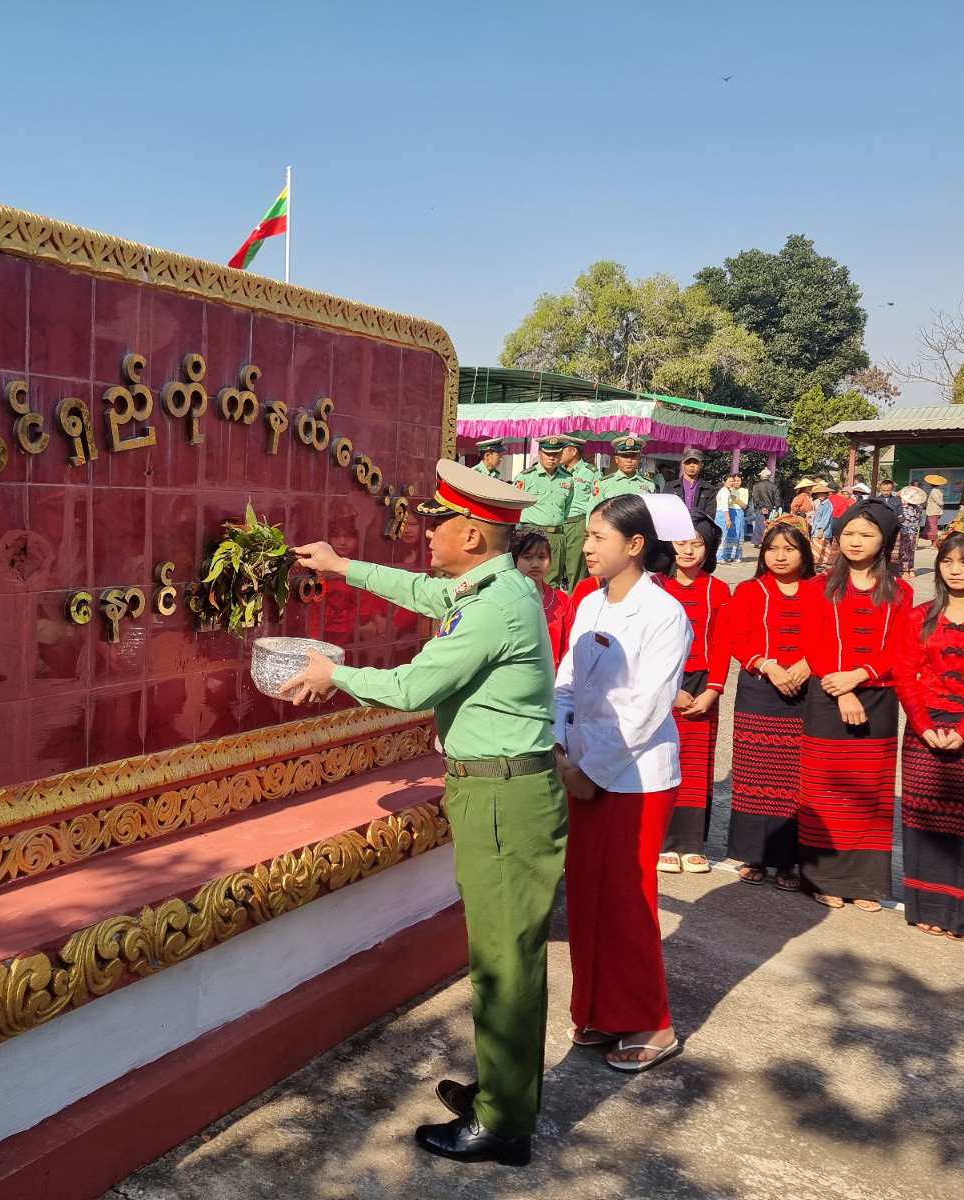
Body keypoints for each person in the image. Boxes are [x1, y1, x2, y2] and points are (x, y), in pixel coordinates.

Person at [282, 461, 563, 1167]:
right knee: (504, 954)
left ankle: (503, 1126)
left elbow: (414, 688)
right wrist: (343, 567)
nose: (425, 534)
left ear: (471, 535)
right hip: (496, 791)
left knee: (504, 962)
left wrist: (332, 673)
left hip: (503, 798)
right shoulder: (494, 585)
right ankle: (503, 1092)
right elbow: (426, 592)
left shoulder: (497, 605)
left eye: (437, 524)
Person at [554, 493, 692, 1073]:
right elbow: (566, 681)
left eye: (598, 537)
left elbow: (646, 708)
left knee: (629, 899)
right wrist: (560, 743)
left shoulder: (664, 614)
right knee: (588, 894)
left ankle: (652, 1020)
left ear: (635, 545)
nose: (586, 547)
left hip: (634, 778)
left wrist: (590, 771)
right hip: (582, 765)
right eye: (587, 536)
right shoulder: (590, 604)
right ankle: (599, 1010)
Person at [892, 523, 964, 941]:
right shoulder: (919, 616)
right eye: (947, 561)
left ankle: (957, 915)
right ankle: (925, 908)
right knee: (923, 816)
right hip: (924, 726)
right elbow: (904, 674)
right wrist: (924, 726)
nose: (954, 570)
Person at [798, 500, 913, 911]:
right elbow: (811, 641)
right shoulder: (818, 587)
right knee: (825, 787)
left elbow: (900, 647)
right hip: (828, 693)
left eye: (866, 534)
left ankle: (865, 881)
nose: (855, 541)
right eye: (848, 533)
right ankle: (822, 877)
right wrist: (842, 687)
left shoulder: (901, 592)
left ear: (885, 540)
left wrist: (861, 674)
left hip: (879, 695)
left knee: (870, 789)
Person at [713, 515, 817, 889]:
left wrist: (809, 663)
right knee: (755, 775)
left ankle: (788, 861)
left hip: (805, 691)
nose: (780, 556)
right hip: (759, 689)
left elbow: (829, 634)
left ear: (804, 553)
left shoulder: (820, 591)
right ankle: (754, 855)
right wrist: (767, 665)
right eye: (772, 549)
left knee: (795, 779)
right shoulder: (749, 591)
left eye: (789, 549)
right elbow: (735, 637)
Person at [655, 513, 729, 873]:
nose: (688, 550)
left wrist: (713, 690)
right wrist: (668, 689)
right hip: (662, 682)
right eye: (681, 542)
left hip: (703, 684)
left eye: (696, 544)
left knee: (697, 763)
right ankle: (662, 840)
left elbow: (723, 643)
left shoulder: (719, 590)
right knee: (661, 759)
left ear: (708, 548)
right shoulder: (654, 586)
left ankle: (690, 842)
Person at [514, 436, 576, 591]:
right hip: (531, 533)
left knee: (552, 582)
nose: (552, 458)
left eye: (556, 454)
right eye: (548, 453)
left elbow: (567, 508)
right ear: (540, 453)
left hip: (556, 536)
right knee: (527, 579)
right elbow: (515, 505)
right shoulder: (526, 477)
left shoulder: (568, 479)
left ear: (561, 455)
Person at [513, 530, 571, 667]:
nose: (535, 564)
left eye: (542, 557)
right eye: (528, 557)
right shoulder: (506, 600)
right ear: (515, 560)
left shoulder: (561, 600)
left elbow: (569, 648)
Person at [558, 434, 599, 590]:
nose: (558, 453)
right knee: (553, 568)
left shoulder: (590, 472)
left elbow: (597, 502)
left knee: (575, 571)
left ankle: (574, 601)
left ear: (573, 451)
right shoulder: (557, 471)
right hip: (558, 524)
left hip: (578, 524)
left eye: (562, 450)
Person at [592, 434, 658, 506]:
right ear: (617, 459)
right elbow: (594, 510)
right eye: (625, 456)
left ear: (639, 459)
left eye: (633, 456)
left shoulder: (649, 484)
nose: (629, 460)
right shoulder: (603, 484)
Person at [674, 449, 715, 516]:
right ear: (683, 464)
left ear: (701, 465)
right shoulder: (670, 487)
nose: (691, 465)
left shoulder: (709, 490)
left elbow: (710, 515)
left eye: (695, 463)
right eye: (688, 462)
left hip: (698, 523)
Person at [896, 485, 926, 578]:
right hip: (904, 530)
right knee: (905, 550)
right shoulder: (903, 506)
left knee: (909, 550)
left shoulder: (917, 507)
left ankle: (908, 569)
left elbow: (918, 519)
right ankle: (905, 569)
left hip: (911, 531)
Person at [715, 476, 744, 564]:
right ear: (724, 482)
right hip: (722, 514)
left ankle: (720, 556)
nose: (732, 483)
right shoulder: (724, 492)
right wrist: (728, 519)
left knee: (723, 535)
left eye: (732, 481)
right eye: (729, 481)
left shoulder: (726, 491)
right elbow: (725, 507)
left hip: (721, 513)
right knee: (722, 535)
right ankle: (719, 557)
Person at [749, 469, 781, 545]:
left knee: (759, 525)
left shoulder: (756, 486)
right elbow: (777, 499)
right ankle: (768, 541)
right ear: (769, 477)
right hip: (771, 509)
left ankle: (757, 542)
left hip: (760, 508)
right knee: (770, 525)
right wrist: (776, 508)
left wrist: (762, 507)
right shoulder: (774, 486)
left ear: (761, 476)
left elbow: (756, 498)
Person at [809, 482, 834, 568]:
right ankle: (823, 563)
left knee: (817, 547)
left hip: (822, 531)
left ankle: (818, 563)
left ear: (826, 495)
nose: (820, 496)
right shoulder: (822, 504)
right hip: (821, 530)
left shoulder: (827, 505)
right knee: (824, 548)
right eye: (819, 494)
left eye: (822, 494)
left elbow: (825, 519)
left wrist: (820, 529)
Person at [924, 475, 947, 543]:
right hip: (935, 511)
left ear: (931, 484)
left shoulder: (934, 491)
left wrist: (942, 503)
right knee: (932, 526)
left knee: (932, 526)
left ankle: (934, 542)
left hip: (933, 511)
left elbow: (939, 502)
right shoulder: (938, 490)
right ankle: (933, 542)